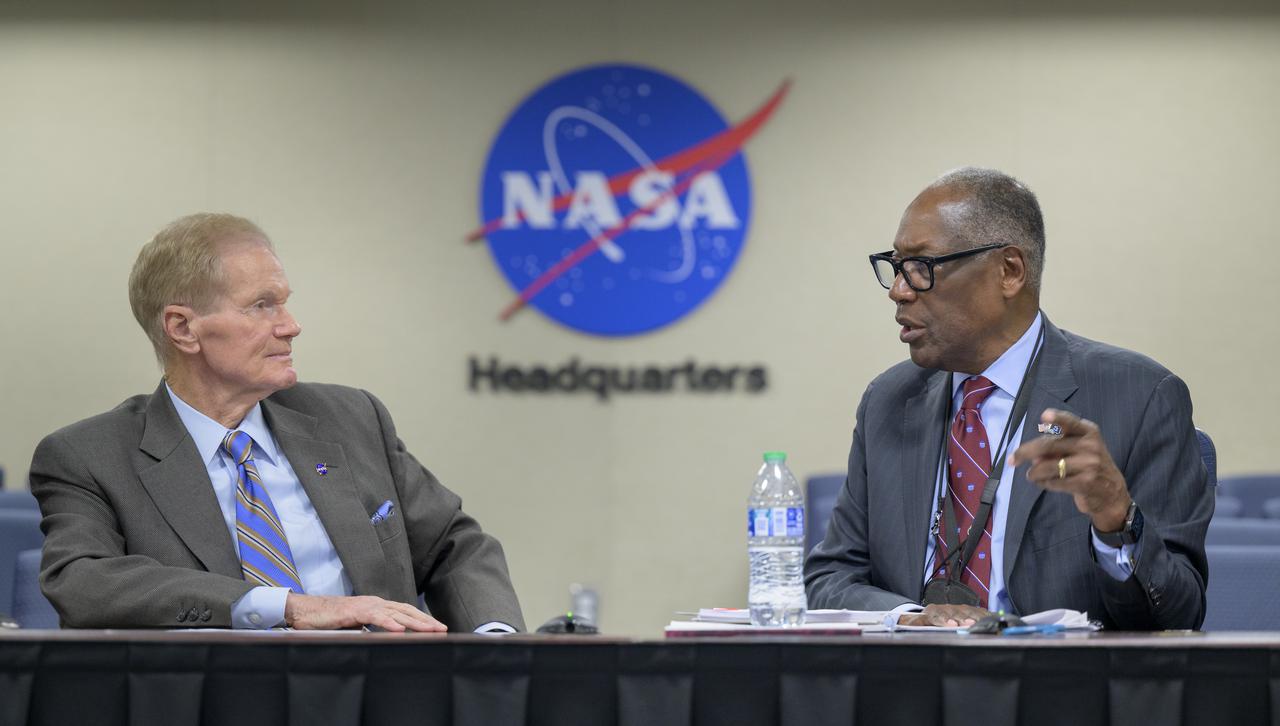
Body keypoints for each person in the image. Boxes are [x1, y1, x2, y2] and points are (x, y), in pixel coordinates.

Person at [29, 213, 525, 632]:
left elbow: (454, 546)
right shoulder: (89, 456)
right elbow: (83, 581)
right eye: (262, 305)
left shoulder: (350, 419)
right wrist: (289, 606)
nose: (290, 325)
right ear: (183, 328)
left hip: (378, 695)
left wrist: (496, 646)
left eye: (284, 301)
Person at [804, 168, 1211, 630]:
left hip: (1060, 689)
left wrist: (1118, 520)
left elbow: (1178, 616)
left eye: (922, 268)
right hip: (912, 685)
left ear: (1009, 271)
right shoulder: (890, 401)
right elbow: (829, 578)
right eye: (896, 267)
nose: (899, 289)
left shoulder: (1139, 397)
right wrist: (911, 618)